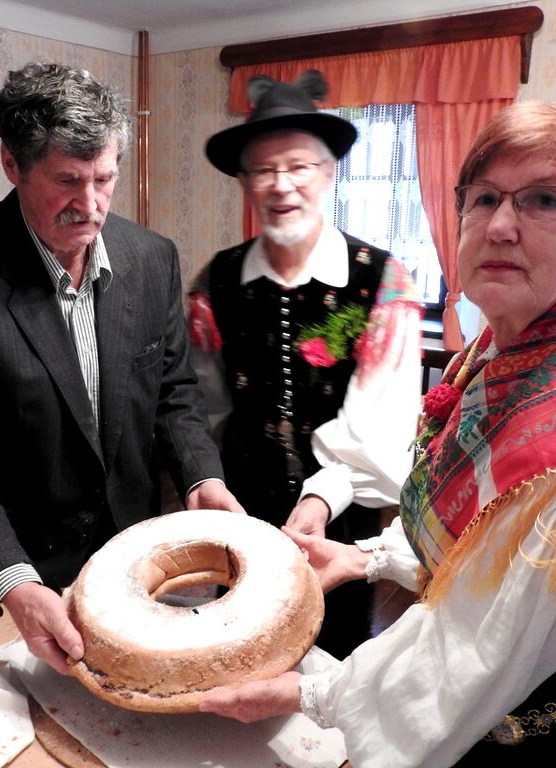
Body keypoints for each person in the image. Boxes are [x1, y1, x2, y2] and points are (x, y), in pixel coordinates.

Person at [200, 101, 556, 767]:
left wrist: (316, 694)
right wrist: (368, 559)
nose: (501, 226)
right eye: (483, 198)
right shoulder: (511, 342)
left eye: (545, 200)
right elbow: (477, 531)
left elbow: (481, 645)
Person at [0, 61, 243, 675]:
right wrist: (12, 581)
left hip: (132, 548)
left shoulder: (152, 258)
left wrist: (202, 478)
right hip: (24, 562)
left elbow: (173, 392)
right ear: (12, 164)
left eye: (104, 180)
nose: (90, 207)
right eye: (67, 181)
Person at [191, 71, 422, 659]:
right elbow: (203, 408)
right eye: (263, 170)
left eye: (298, 166)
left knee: (332, 660)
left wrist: (321, 499)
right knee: (235, 647)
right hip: (239, 511)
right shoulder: (215, 282)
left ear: (329, 171)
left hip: (340, 519)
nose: (281, 185)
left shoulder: (382, 281)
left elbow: (385, 424)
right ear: (244, 182)